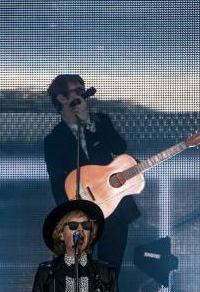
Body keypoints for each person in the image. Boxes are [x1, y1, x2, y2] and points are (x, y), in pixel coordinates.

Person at [44, 74, 140, 274]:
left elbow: (119, 147)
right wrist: (70, 214)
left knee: (110, 270)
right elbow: (56, 181)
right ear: (62, 98)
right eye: (77, 91)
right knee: (79, 272)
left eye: (83, 91)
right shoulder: (54, 140)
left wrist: (89, 121)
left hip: (115, 209)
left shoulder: (100, 122)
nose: (83, 95)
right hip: (82, 215)